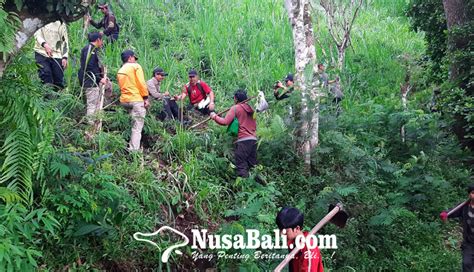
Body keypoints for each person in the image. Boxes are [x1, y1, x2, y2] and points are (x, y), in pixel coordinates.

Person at [210, 90, 256, 178]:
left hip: (243, 140)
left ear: (236, 99)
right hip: (254, 140)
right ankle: (256, 185)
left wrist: (214, 116)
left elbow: (225, 122)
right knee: (252, 165)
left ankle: (244, 186)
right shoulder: (251, 109)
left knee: (241, 164)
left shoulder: (236, 108)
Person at [117, 50, 149, 151]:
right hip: (136, 99)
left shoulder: (120, 70)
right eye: (134, 58)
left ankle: (125, 143)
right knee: (137, 127)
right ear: (130, 58)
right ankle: (134, 150)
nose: (135, 60)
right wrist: (145, 98)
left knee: (131, 123)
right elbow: (141, 83)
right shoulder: (136, 66)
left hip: (124, 101)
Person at [276, 207, 324, 272]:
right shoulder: (292, 242)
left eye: (286, 231)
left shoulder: (309, 249)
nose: (281, 234)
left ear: (297, 228)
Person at [440, 185, 474, 271]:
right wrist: (445, 214)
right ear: (469, 194)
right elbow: (452, 211)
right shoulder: (464, 206)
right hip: (469, 242)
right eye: (473, 193)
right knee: (466, 263)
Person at [78, 32, 108, 127]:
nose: (102, 42)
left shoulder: (89, 49)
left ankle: (94, 127)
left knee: (95, 104)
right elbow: (89, 67)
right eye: (101, 40)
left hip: (90, 81)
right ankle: (90, 128)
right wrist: (99, 79)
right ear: (98, 40)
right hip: (90, 81)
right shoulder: (90, 49)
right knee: (92, 105)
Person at [34, 20, 69, 89]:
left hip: (57, 54)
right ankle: (47, 98)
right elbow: (37, 35)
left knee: (58, 79)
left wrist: (65, 57)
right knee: (46, 75)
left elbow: (64, 41)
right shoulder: (40, 19)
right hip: (41, 52)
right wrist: (45, 45)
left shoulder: (61, 23)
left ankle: (58, 98)